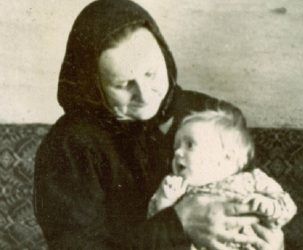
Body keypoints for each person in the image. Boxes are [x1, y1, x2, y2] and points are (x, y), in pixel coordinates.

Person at [33, 0, 285, 249]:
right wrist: (177, 224)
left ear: (164, 56)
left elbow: (256, 199)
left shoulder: (211, 115)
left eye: (151, 73)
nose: (144, 95)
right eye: (123, 85)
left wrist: (272, 239)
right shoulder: (70, 144)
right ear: (94, 84)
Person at [148, 110, 297, 250]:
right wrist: (164, 200)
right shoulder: (180, 191)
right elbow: (158, 229)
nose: (178, 152)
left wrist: (270, 207)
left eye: (190, 145)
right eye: (176, 147)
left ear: (228, 157)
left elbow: (287, 206)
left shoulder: (251, 180)